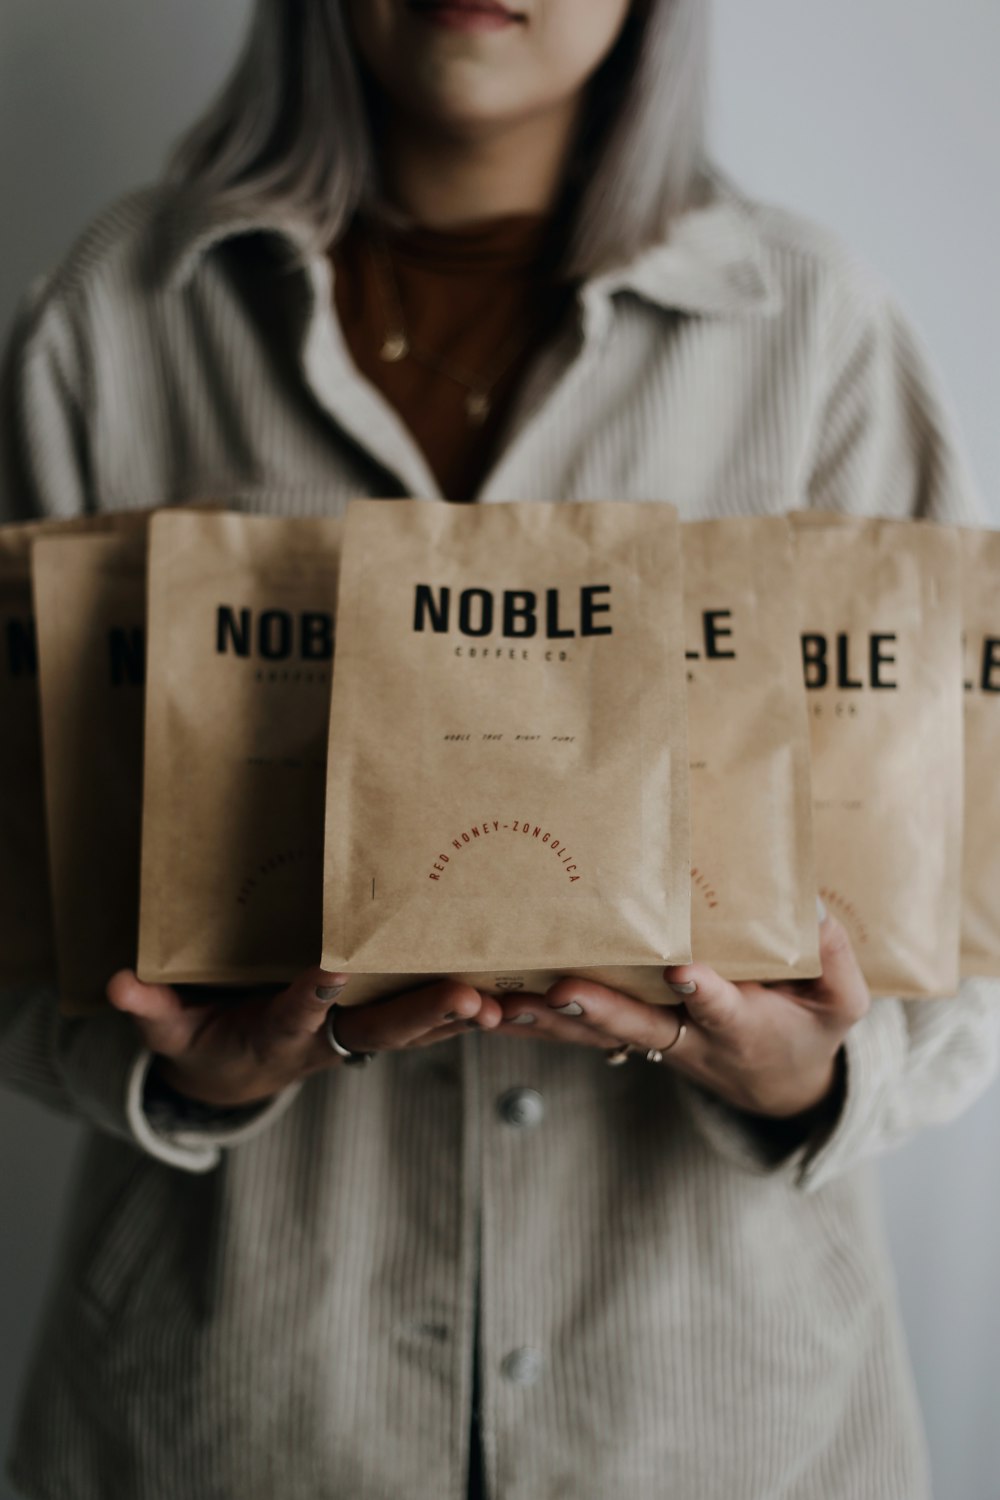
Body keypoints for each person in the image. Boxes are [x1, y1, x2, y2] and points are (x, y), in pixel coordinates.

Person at [1, 1, 997, 1497]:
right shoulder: (119, 313)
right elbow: (14, 912)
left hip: (716, 1426)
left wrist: (803, 1082)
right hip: (238, 1418)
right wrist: (189, 1079)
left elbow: (966, 929)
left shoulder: (815, 328)